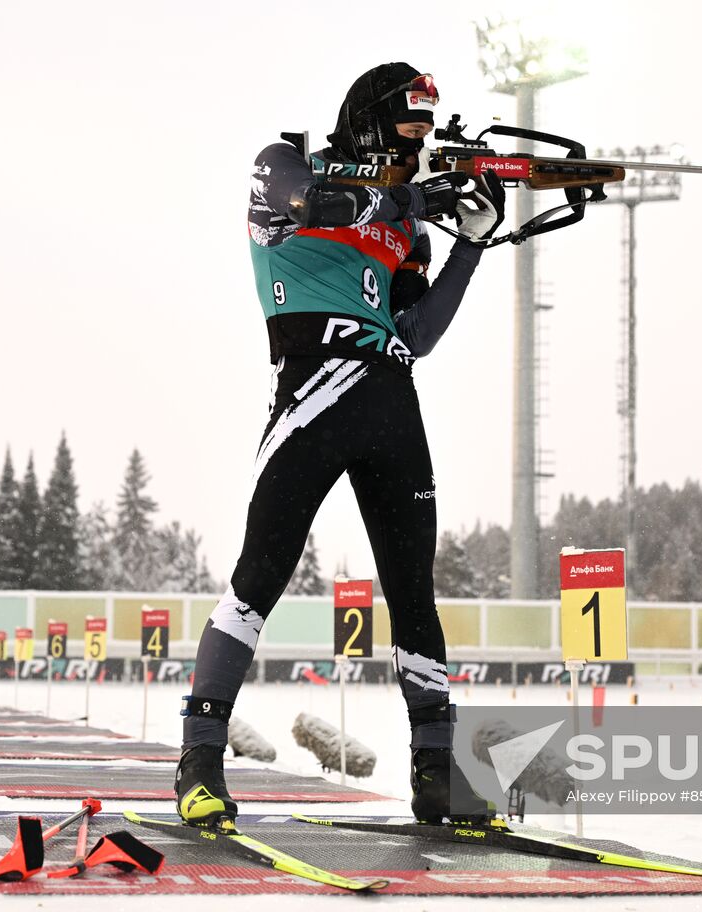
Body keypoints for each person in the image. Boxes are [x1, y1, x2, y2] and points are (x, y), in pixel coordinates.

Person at [175, 62, 506, 829]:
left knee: (414, 593)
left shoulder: (404, 218)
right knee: (259, 576)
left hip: (391, 400)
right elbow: (312, 200)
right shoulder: (287, 162)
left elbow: (415, 333)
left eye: (430, 126)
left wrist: (471, 246)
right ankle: (198, 763)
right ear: (370, 117)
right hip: (309, 392)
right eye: (411, 122)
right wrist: (415, 194)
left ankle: (435, 775)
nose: (422, 137)